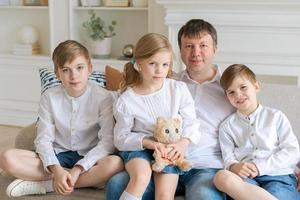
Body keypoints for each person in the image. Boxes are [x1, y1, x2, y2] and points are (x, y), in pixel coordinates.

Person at [106, 19, 235, 200]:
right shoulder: (170, 83)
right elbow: (123, 130)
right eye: (189, 46)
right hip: (155, 158)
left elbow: (250, 122)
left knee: (204, 196)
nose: (196, 53)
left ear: (215, 49)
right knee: (116, 185)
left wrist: (182, 144)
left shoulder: (232, 87)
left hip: (203, 166)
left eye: (203, 45)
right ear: (180, 51)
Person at [0, 40, 123, 197]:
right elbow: (43, 140)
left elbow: (107, 143)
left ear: (89, 68)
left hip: (89, 157)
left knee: (116, 163)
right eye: (66, 70)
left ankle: (46, 184)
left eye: (80, 68)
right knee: (6, 158)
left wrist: (78, 169)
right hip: (58, 155)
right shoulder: (49, 97)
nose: (74, 76)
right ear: (57, 74)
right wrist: (56, 170)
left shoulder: (104, 98)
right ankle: (82, 180)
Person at [113, 32, 201, 200]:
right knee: (140, 177)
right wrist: (149, 143)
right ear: (138, 64)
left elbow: (192, 123)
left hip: (169, 150)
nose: (159, 70)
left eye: (165, 64)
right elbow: (120, 138)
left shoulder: (178, 89)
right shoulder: (127, 100)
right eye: (152, 63)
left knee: (165, 195)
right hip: (138, 149)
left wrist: (182, 144)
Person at [213, 64, 300, 200]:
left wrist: (259, 167)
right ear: (226, 96)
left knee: (280, 194)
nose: (238, 95)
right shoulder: (226, 127)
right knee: (223, 178)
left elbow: (292, 151)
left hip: (278, 176)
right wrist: (234, 166)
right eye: (231, 92)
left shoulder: (276, 116)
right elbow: (228, 158)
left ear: (256, 86)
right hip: (246, 180)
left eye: (243, 87)